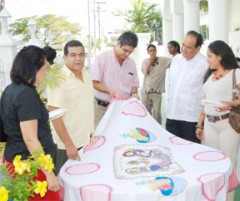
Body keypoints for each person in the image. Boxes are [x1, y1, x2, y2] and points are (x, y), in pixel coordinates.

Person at [195, 40, 240, 201]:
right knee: (211, 165)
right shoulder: (210, 75)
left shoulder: (237, 73)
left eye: (210, 56)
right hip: (209, 124)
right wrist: (199, 125)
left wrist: (232, 103)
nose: (208, 60)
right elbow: (205, 101)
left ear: (220, 56)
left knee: (227, 166)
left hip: (228, 124)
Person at [0, 46, 60, 200]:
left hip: (14, 159)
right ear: (33, 69)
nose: (45, 73)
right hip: (30, 166)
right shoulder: (26, 95)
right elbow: (30, 139)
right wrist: (48, 173)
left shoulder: (10, 89)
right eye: (44, 69)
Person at [47, 40, 94, 173]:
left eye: (81, 54)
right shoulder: (59, 79)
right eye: (73, 55)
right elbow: (55, 116)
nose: (78, 58)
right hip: (67, 146)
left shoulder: (86, 74)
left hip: (86, 143)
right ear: (65, 57)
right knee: (65, 187)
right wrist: (69, 145)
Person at [166, 30, 209, 143]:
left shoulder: (205, 64)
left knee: (191, 153)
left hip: (192, 118)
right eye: (183, 44)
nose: (183, 49)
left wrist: (200, 123)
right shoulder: (176, 60)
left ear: (198, 48)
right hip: (172, 114)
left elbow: (208, 94)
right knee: (172, 150)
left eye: (188, 47)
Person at [91, 31, 140, 126]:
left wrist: (134, 94)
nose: (127, 54)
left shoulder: (131, 63)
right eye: (125, 50)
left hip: (123, 109)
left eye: (130, 52)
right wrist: (109, 91)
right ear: (118, 43)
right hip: (102, 108)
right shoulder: (102, 58)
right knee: (100, 137)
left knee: (121, 137)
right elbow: (94, 82)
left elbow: (134, 83)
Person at [141, 44, 171, 124]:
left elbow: (174, 62)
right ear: (148, 52)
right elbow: (146, 72)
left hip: (157, 93)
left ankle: (158, 130)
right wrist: (151, 60)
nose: (152, 52)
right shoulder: (145, 61)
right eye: (150, 51)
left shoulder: (163, 60)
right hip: (145, 92)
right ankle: (146, 129)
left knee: (157, 114)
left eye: (154, 50)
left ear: (156, 51)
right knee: (146, 113)